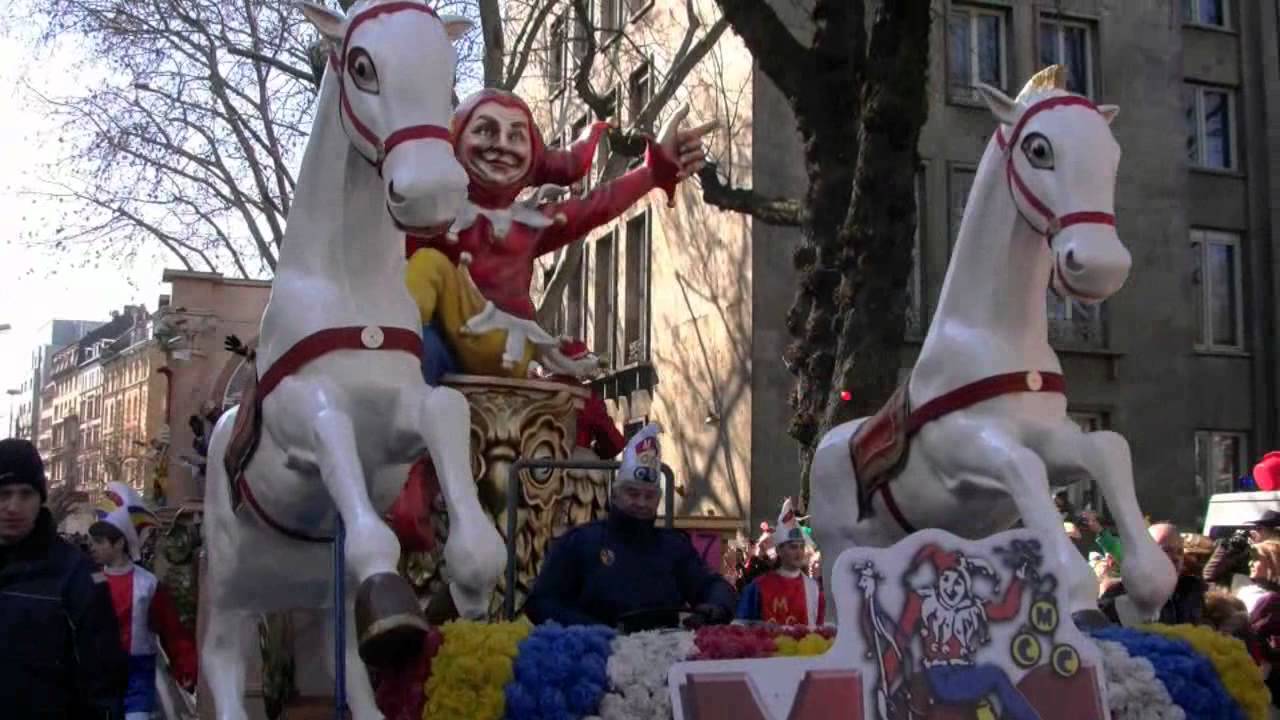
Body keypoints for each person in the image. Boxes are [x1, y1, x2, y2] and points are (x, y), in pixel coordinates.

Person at [403, 89, 714, 378]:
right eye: (485, 130)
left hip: (504, 349)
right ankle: (398, 354)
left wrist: (651, 172)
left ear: (534, 157)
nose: (500, 145)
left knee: (431, 266)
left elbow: (597, 205)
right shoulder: (434, 215)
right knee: (425, 329)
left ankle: (398, 344)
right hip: (445, 346)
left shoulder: (530, 224)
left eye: (515, 136)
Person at [525, 424, 736, 630]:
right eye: (632, 493)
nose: (642, 503)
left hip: (663, 652)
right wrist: (594, 631)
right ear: (615, 494)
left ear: (658, 499)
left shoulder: (674, 547)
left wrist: (716, 607)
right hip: (596, 654)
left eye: (649, 495)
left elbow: (711, 584)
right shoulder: (580, 542)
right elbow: (542, 602)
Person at [0, 438, 128, 719]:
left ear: (40, 499)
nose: (13, 506)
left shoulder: (75, 575)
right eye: (4, 493)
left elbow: (104, 678)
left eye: (25, 494)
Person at [89, 482, 198, 719]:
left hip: (139, 676)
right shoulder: (90, 581)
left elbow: (172, 630)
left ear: (119, 543)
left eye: (99, 542)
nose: (92, 547)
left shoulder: (148, 584)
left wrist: (187, 669)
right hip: (100, 676)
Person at [736, 498, 824, 625]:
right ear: (779, 550)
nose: (799, 552)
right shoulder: (757, 587)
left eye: (801, 547)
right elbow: (740, 627)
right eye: (793, 547)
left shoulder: (813, 589)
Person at [1099, 523, 1205, 625]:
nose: (1176, 558)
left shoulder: (1192, 591)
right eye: (1166, 550)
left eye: (1180, 552)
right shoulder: (1115, 599)